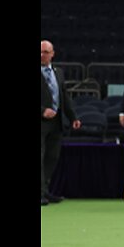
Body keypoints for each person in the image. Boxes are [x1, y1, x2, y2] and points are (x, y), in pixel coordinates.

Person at [41, 40, 80, 205]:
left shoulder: (58, 72)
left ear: (52, 53)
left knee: (52, 156)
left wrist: (73, 117)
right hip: (41, 121)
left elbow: (65, 97)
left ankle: (45, 190)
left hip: (57, 122)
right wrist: (42, 110)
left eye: (45, 52)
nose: (42, 55)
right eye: (41, 52)